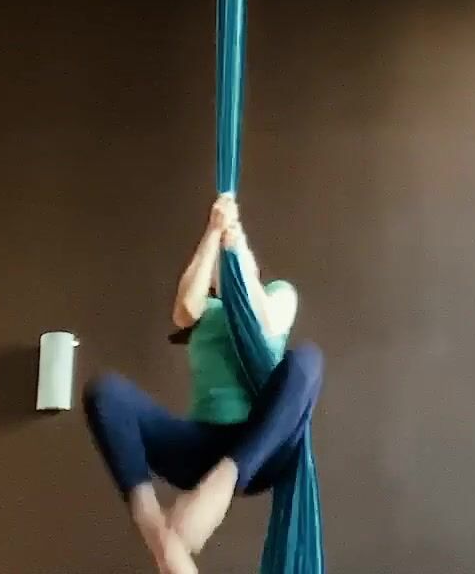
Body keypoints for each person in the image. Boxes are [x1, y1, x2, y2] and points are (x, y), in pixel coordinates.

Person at [83, 194, 324, 574]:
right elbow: (184, 309)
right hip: (199, 446)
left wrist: (237, 250)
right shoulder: (204, 311)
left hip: (260, 444)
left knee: (307, 361)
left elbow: (266, 325)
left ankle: (220, 487)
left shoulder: (278, 294)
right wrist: (213, 232)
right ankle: (164, 543)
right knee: (106, 393)